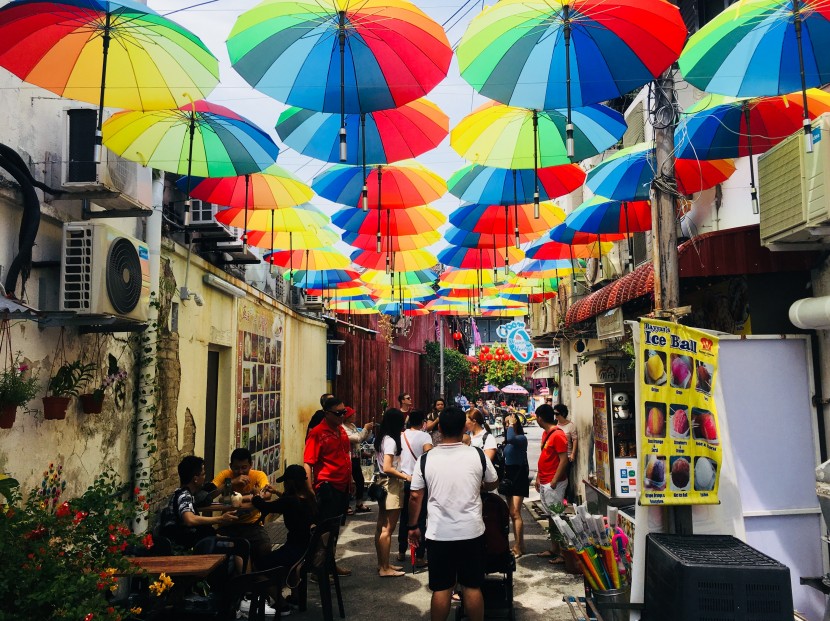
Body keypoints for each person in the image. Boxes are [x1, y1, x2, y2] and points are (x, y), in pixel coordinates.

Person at [408, 406, 499, 621]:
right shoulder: (477, 455)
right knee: (472, 587)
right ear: (463, 428)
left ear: (439, 428)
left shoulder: (426, 459)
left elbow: (415, 497)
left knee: (441, 589)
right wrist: (479, 486)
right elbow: (493, 481)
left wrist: (413, 526)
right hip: (472, 532)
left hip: (439, 534)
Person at [304, 395, 353, 576]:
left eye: (344, 412)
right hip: (328, 486)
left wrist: (351, 480)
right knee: (324, 531)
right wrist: (309, 489)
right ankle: (319, 571)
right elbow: (308, 462)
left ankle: (330, 563)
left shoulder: (341, 431)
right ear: (327, 413)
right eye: (338, 413)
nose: (342, 416)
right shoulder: (317, 433)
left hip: (342, 486)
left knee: (334, 528)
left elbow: (345, 456)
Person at [209, 448, 272, 567]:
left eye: (244, 467)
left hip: (252, 524)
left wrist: (243, 498)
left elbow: (267, 494)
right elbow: (210, 495)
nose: (240, 472)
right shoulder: (225, 475)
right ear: (231, 466)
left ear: (250, 465)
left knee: (265, 548)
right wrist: (231, 482)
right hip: (228, 525)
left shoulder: (258, 475)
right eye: (236, 468)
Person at [161, 455, 238, 549]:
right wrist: (220, 519)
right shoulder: (184, 496)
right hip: (182, 547)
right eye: (203, 474)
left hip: (191, 541)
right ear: (195, 479)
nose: (205, 477)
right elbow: (190, 519)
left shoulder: (190, 495)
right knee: (236, 547)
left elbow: (210, 495)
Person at [252, 464, 318, 575]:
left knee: (258, 565)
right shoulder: (309, 498)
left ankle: (272, 592)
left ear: (289, 483)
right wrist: (276, 492)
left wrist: (256, 494)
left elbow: (264, 506)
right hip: (307, 550)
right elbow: (290, 503)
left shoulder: (289, 502)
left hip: (294, 551)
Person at [373, 408, 409, 577]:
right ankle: (384, 567)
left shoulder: (382, 438)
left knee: (381, 526)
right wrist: (405, 476)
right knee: (388, 528)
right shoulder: (391, 441)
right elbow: (388, 467)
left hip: (382, 482)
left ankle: (383, 563)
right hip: (391, 483)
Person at [396, 409, 432, 566]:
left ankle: (401, 551)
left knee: (405, 517)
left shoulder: (401, 435)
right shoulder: (425, 436)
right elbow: (429, 455)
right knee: (420, 518)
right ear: (422, 422)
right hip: (419, 481)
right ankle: (419, 556)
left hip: (403, 479)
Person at [534, 404, 569, 564]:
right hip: (545, 480)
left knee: (557, 517)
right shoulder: (545, 434)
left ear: (540, 418)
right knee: (551, 516)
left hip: (554, 483)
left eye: (536, 417)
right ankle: (554, 548)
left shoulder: (558, 435)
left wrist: (554, 480)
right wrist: (538, 477)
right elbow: (545, 456)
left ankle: (563, 552)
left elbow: (564, 460)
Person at [501, 413, 529, 557]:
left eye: (509, 423)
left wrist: (512, 424)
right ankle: (521, 544)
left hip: (519, 476)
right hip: (509, 477)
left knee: (515, 512)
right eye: (505, 424)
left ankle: (518, 546)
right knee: (511, 513)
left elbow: (511, 437)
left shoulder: (521, 439)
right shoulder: (509, 441)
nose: (507, 426)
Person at [342, 406, 374, 514]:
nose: (354, 416)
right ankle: (345, 506)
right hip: (347, 458)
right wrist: (365, 428)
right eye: (352, 415)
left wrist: (368, 430)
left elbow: (362, 439)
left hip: (355, 457)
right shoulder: (343, 428)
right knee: (347, 483)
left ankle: (359, 503)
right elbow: (357, 438)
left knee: (360, 480)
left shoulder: (352, 426)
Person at [554, 403, 578, 503]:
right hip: (557, 456)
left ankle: (565, 496)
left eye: (557, 413)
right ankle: (558, 496)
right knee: (557, 476)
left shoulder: (571, 426)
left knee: (565, 476)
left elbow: (575, 440)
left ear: (563, 414)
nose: (555, 416)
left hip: (567, 456)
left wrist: (573, 453)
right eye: (554, 413)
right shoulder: (555, 425)